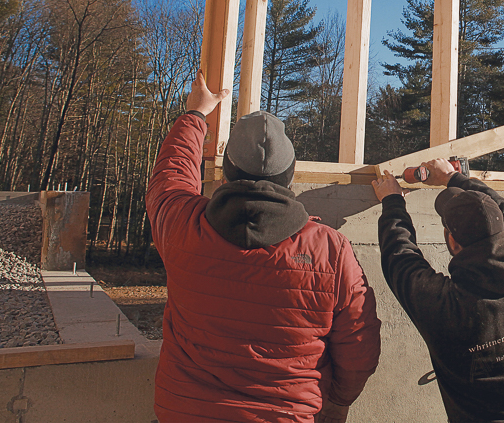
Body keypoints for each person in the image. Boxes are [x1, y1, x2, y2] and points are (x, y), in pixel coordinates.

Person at [146, 70, 381, 423]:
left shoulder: (183, 227)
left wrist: (195, 115)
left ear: (226, 174)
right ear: (289, 178)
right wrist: (339, 400)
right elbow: (359, 342)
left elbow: (171, 175)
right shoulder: (329, 250)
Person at [373, 159, 504, 423]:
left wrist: (392, 201)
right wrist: (453, 177)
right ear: (501, 230)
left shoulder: (449, 309)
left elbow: (400, 257)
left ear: (451, 240)